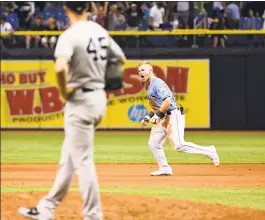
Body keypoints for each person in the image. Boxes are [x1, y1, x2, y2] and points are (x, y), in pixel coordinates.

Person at [19, 2, 126, 220]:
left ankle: (93, 215)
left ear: (66, 8)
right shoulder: (100, 31)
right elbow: (121, 59)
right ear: (87, 8)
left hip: (80, 101)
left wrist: (64, 92)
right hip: (98, 98)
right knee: (69, 157)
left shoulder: (70, 35)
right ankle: (46, 207)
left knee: (83, 160)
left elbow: (59, 67)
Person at [139, 61, 219, 176]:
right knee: (153, 143)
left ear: (150, 70)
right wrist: (148, 117)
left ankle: (209, 151)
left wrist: (158, 116)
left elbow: (166, 102)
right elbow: (157, 107)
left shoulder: (157, 83)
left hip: (173, 115)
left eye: (143, 70)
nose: (140, 72)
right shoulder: (150, 86)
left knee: (179, 145)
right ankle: (165, 168)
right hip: (165, 117)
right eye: (139, 71)